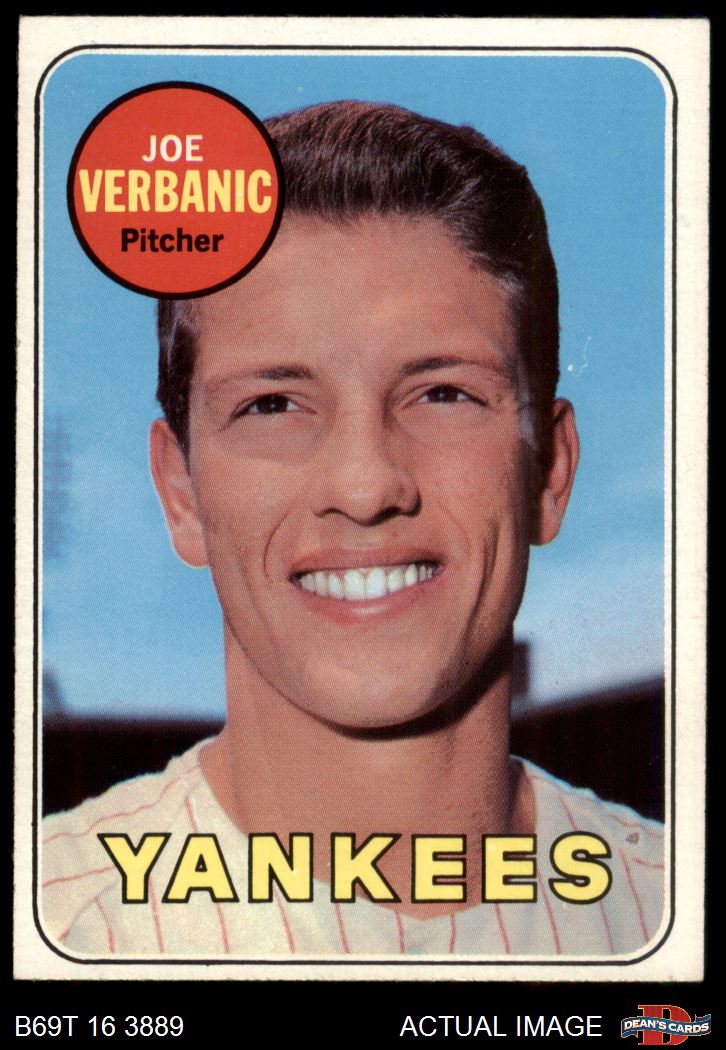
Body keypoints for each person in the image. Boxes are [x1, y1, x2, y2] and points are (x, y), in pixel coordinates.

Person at [42, 101, 664, 958]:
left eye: (442, 393)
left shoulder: (671, 909)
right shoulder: (51, 923)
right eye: (273, 405)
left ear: (549, 474)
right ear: (180, 492)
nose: (365, 487)